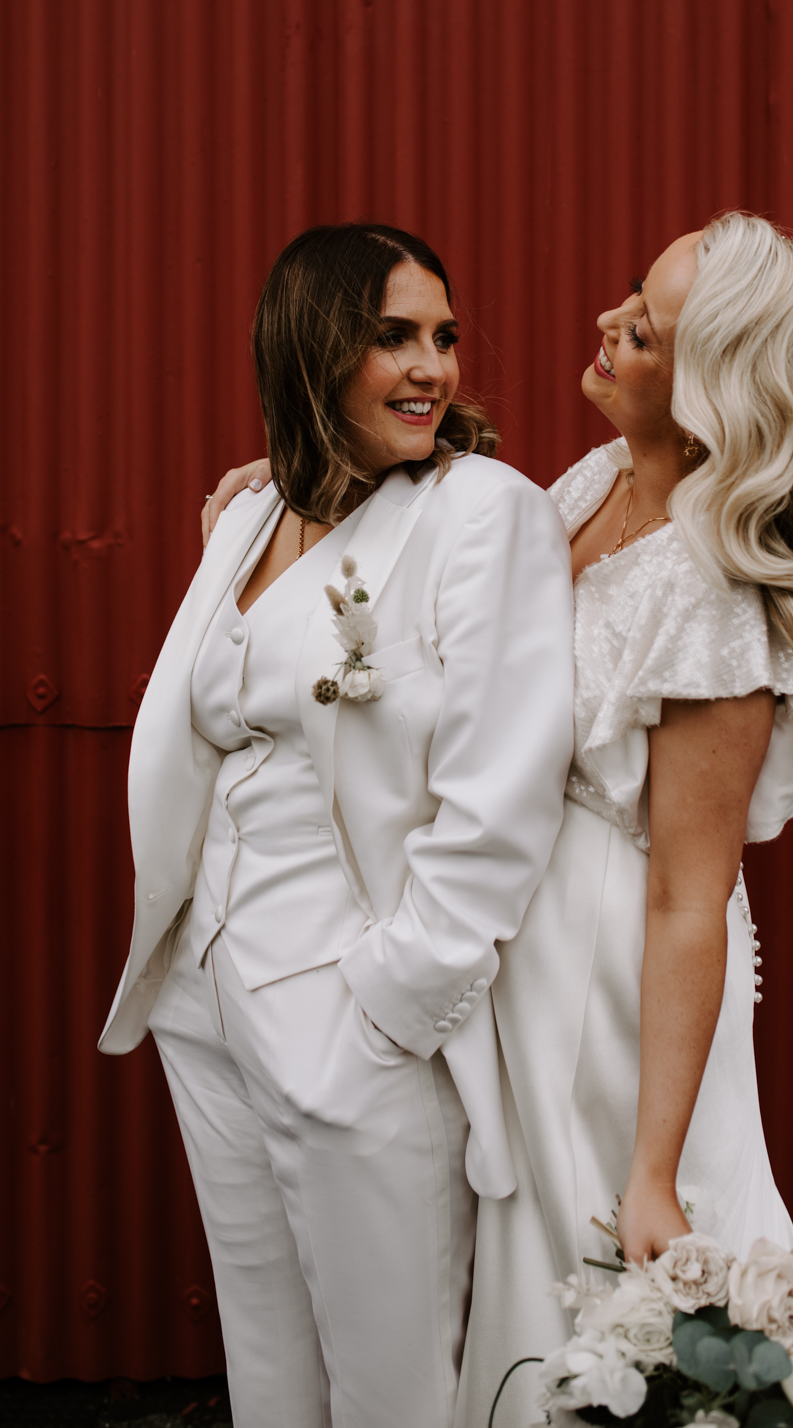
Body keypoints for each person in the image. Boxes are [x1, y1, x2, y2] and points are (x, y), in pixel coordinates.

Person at [206, 213, 793, 1428]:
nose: (609, 324)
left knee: (597, 1265)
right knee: (507, 1279)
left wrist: (653, 1169)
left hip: (615, 979)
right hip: (522, 949)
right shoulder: (595, 487)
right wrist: (295, 507)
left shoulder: (715, 591)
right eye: (626, 292)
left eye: (646, 330)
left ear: (712, 388)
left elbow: (687, 894)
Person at [99, 223, 575, 1428]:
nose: (432, 368)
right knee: (267, 1368)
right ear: (310, 348)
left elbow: (499, 788)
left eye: (444, 338)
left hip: (349, 1007)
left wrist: (391, 1007)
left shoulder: (483, 515)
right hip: (202, 993)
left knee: (393, 1389)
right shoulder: (254, 513)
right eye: (392, 337)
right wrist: (182, 974)